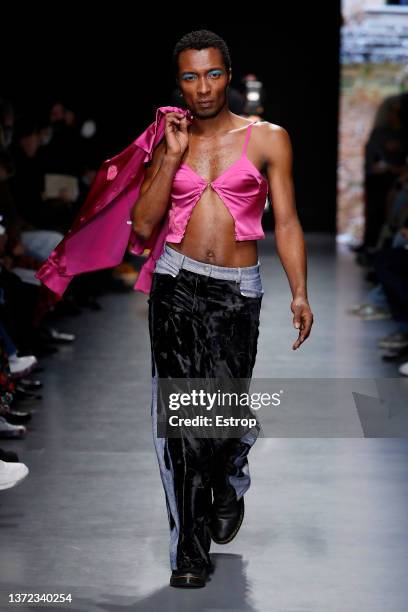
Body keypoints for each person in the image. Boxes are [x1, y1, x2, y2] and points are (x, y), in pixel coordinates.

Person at [132, 29, 314, 588]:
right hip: (177, 283)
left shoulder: (267, 139)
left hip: (237, 291)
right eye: (190, 76)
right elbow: (143, 224)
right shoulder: (170, 138)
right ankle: (189, 548)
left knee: (223, 413)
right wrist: (171, 155)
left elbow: (284, 221)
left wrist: (300, 291)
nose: (202, 87)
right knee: (182, 421)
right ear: (179, 82)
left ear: (228, 75)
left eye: (212, 74)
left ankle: (227, 479)